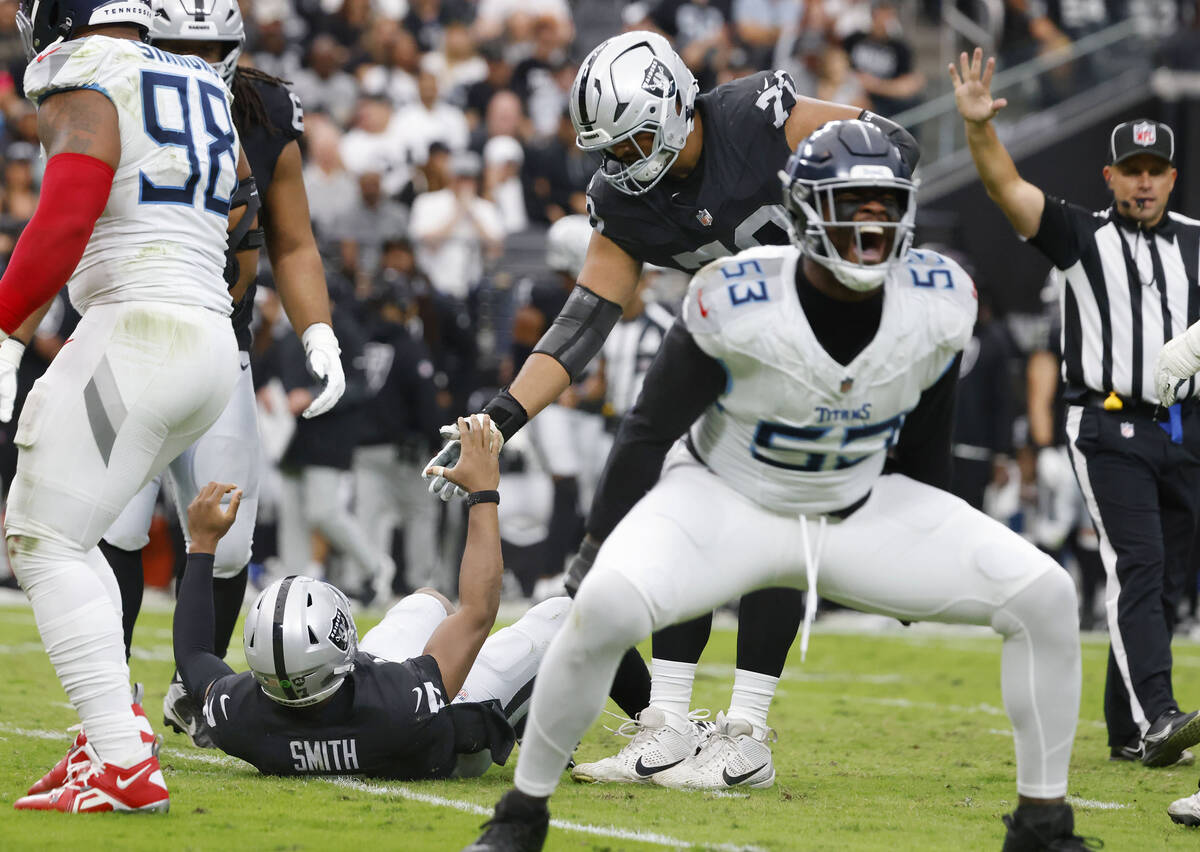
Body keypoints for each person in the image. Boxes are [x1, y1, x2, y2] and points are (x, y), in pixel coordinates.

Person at [464, 119, 1091, 852]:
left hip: (849, 504)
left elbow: (926, 445)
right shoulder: (733, 296)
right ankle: (522, 815)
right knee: (595, 607)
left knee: (1046, 595)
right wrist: (595, 549)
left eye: (884, 203)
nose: (870, 223)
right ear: (801, 210)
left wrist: (929, 538)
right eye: (850, 202)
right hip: (727, 498)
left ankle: (1044, 826)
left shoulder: (941, 294)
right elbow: (647, 431)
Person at [425, 30, 922, 787]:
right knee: (680, 521)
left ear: (673, 104)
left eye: (636, 142)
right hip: (732, 358)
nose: (624, 162)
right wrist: (499, 417)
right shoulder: (623, 199)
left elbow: (891, 144)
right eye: (611, 151)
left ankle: (748, 731)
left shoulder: (756, 116)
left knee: (774, 529)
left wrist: (842, 244)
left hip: (822, 349)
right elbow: (585, 320)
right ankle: (669, 723)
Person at [32, 0, 346, 750]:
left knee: (228, 539)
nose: (194, 60)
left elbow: (289, 237)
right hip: (126, 333)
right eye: (175, 42)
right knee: (115, 522)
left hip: (217, 339)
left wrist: (320, 332)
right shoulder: (110, 83)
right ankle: (114, 695)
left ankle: (192, 686)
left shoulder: (263, 110)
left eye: (210, 46)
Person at [6, 0, 258, 813]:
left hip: (139, 331)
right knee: (74, 535)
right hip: (205, 337)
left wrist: (6, 331)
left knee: (39, 537)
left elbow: (70, 209)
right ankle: (111, 738)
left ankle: (120, 756)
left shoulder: (86, 67)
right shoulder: (197, 77)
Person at [953, 48, 1200, 767]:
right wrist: (976, 129)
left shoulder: (1193, 241)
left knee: (1169, 585)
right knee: (1140, 566)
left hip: (1181, 427)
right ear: (1112, 176)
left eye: (1157, 171)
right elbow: (1006, 188)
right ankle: (1160, 716)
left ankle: (1125, 729)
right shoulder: (1079, 233)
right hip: (1106, 423)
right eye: (1134, 170)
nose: (1145, 182)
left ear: (1172, 177)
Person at [171, 417, 570, 780]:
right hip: (441, 738)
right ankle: (580, 714)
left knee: (427, 603)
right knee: (561, 615)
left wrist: (202, 543)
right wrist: (484, 493)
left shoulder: (239, 717)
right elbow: (478, 611)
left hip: (361, 714)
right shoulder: (401, 702)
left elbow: (193, 656)